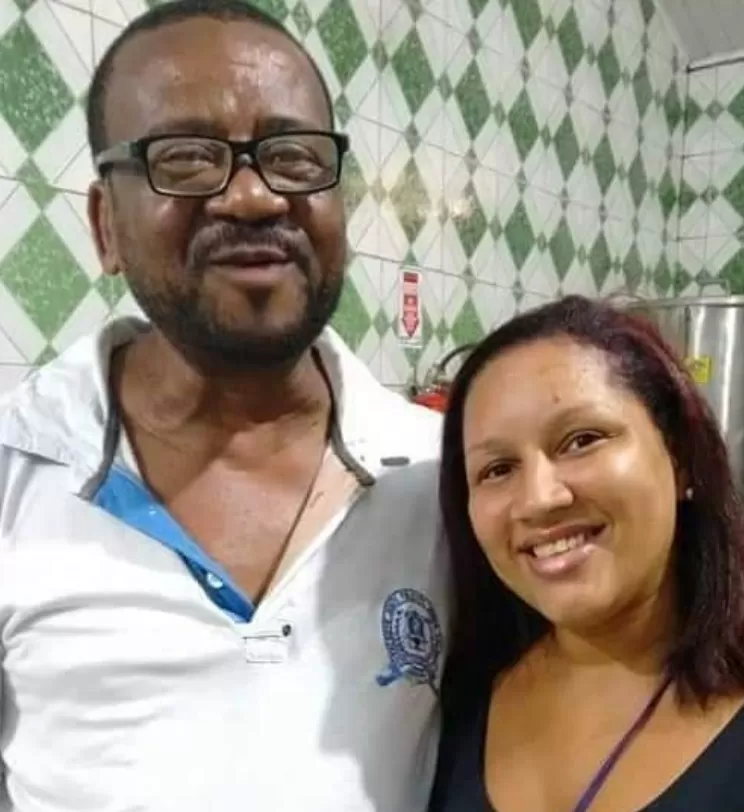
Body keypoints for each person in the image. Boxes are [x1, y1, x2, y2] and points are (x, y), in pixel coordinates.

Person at [0, 1, 448, 810]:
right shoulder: (15, 470)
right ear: (105, 226)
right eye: (186, 158)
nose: (253, 197)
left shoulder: (444, 476)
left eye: (294, 156)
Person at [429, 295, 744, 812]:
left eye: (582, 440)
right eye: (497, 469)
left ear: (680, 457)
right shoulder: (462, 699)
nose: (539, 499)